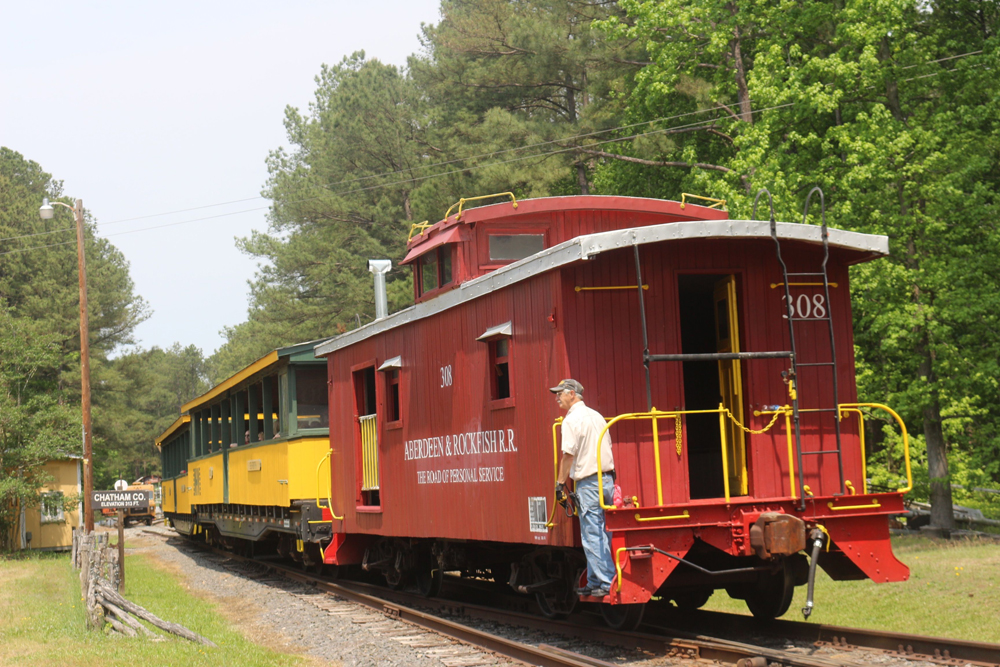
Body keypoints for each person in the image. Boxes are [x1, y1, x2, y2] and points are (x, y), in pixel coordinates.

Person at [552, 378, 616, 598]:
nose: (557, 397)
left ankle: (607, 582)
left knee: (592, 533)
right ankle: (594, 580)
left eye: (560, 393)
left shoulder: (571, 420)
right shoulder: (597, 416)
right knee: (602, 532)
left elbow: (568, 455)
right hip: (606, 480)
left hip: (589, 482)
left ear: (572, 394)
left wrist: (560, 484)